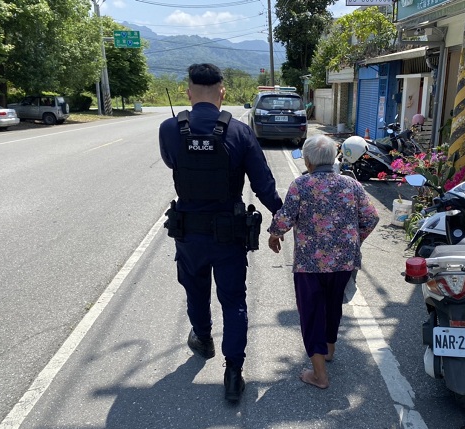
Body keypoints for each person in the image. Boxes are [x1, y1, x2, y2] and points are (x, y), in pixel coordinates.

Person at [159, 63, 283, 402]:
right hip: (229, 235)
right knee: (234, 301)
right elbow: (263, 183)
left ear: (188, 91)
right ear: (222, 92)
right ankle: (233, 372)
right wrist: (282, 216)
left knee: (195, 291)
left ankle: (203, 338)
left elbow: (172, 162)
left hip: (189, 234)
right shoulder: (239, 132)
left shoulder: (170, 128)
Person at [267, 135, 379, 389]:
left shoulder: (301, 185)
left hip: (310, 264)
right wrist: (353, 240)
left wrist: (275, 234)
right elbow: (371, 218)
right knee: (332, 306)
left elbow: (285, 218)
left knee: (311, 313)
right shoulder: (351, 185)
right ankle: (328, 351)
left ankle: (319, 375)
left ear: (308, 161)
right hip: (343, 262)